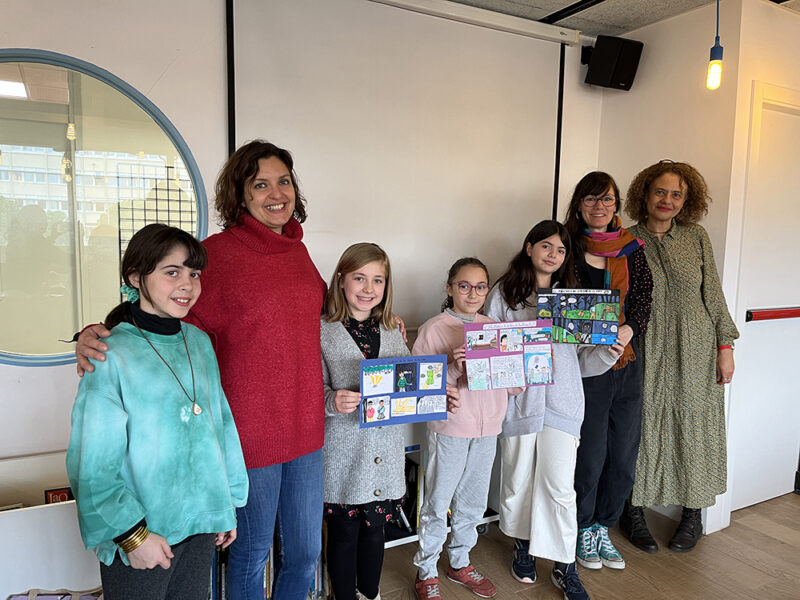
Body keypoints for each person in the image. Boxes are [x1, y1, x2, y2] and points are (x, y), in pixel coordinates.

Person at [75, 141, 327, 600]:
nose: (276, 193)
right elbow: (161, 313)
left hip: (305, 426)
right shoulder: (216, 256)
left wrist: (382, 317)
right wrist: (98, 332)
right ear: (240, 194)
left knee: (306, 554)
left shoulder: (298, 251)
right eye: (260, 184)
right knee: (251, 555)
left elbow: (315, 318)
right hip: (251, 433)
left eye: (284, 181)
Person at [66, 224, 248, 600]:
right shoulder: (110, 353)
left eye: (194, 274)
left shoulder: (199, 342)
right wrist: (133, 536)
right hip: (144, 533)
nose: (187, 285)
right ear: (136, 278)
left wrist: (225, 503)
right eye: (172, 272)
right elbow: (92, 463)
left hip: (201, 525)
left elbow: (220, 426)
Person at [484, 220, 623, 600]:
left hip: (563, 404)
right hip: (520, 404)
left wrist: (606, 354)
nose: (553, 254)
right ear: (529, 247)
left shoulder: (574, 299)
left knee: (560, 487)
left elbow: (582, 361)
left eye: (561, 250)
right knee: (518, 482)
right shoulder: (504, 294)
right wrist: (511, 373)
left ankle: (565, 565)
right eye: (546, 246)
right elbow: (489, 349)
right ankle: (524, 545)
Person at [621, 160, 738, 553]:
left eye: (676, 194)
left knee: (695, 426)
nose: (667, 200)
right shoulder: (626, 239)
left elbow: (713, 294)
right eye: (660, 191)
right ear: (645, 194)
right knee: (640, 427)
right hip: (647, 347)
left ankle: (693, 514)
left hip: (696, 348)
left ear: (687, 201)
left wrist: (725, 347)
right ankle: (632, 511)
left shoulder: (696, 237)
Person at [412, 257, 516, 600]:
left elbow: (514, 387)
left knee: (472, 502)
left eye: (480, 286)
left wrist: (527, 367)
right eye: (464, 285)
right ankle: (426, 570)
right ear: (450, 288)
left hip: (488, 431)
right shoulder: (433, 329)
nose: (473, 293)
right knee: (438, 501)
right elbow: (420, 388)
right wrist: (454, 368)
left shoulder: (495, 328)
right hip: (451, 429)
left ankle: (460, 561)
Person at [564, 172, 653, 572]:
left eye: (607, 199)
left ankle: (604, 525)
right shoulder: (566, 246)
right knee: (591, 453)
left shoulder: (632, 248)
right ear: (579, 204)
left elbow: (644, 298)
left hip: (627, 360)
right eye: (591, 199)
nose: (599, 207)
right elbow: (558, 303)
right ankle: (583, 526)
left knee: (623, 454)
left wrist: (628, 328)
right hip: (586, 366)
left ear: (616, 205)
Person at [320, 242, 409, 600]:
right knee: (344, 533)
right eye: (359, 278)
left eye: (378, 280)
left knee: (375, 532)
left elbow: (408, 384)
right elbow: (309, 391)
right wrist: (332, 400)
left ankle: (370, 594)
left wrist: (435, 397)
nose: (368, 288)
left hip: (385, 453)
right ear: (341, 279)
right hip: (344, 454)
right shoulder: (322, 330)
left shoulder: (392, 329)